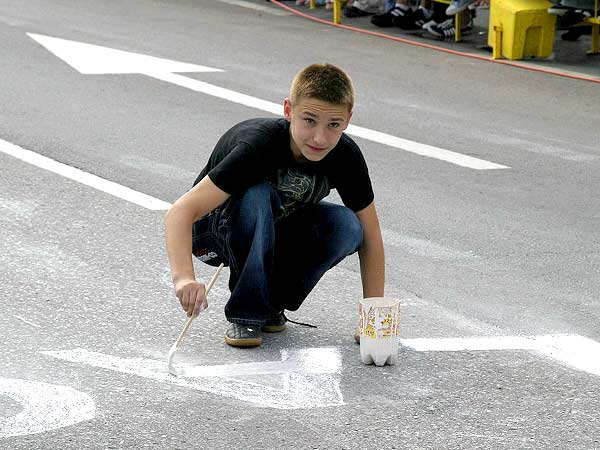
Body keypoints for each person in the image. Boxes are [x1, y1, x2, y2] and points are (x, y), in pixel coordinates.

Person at [165, 63, 385, 348]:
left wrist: (374, 318)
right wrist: (184, 279)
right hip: (215, 231)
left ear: (347, 119)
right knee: (257, 194)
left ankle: (270, 305)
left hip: (277, 225)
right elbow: (180, 212)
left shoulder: (346, 156)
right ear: (288, 110)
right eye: (309, 120)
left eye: (333, 125)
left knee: (348, 226)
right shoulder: (258, 145)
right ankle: (247, 314)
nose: (320, 138)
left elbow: (372, 236)